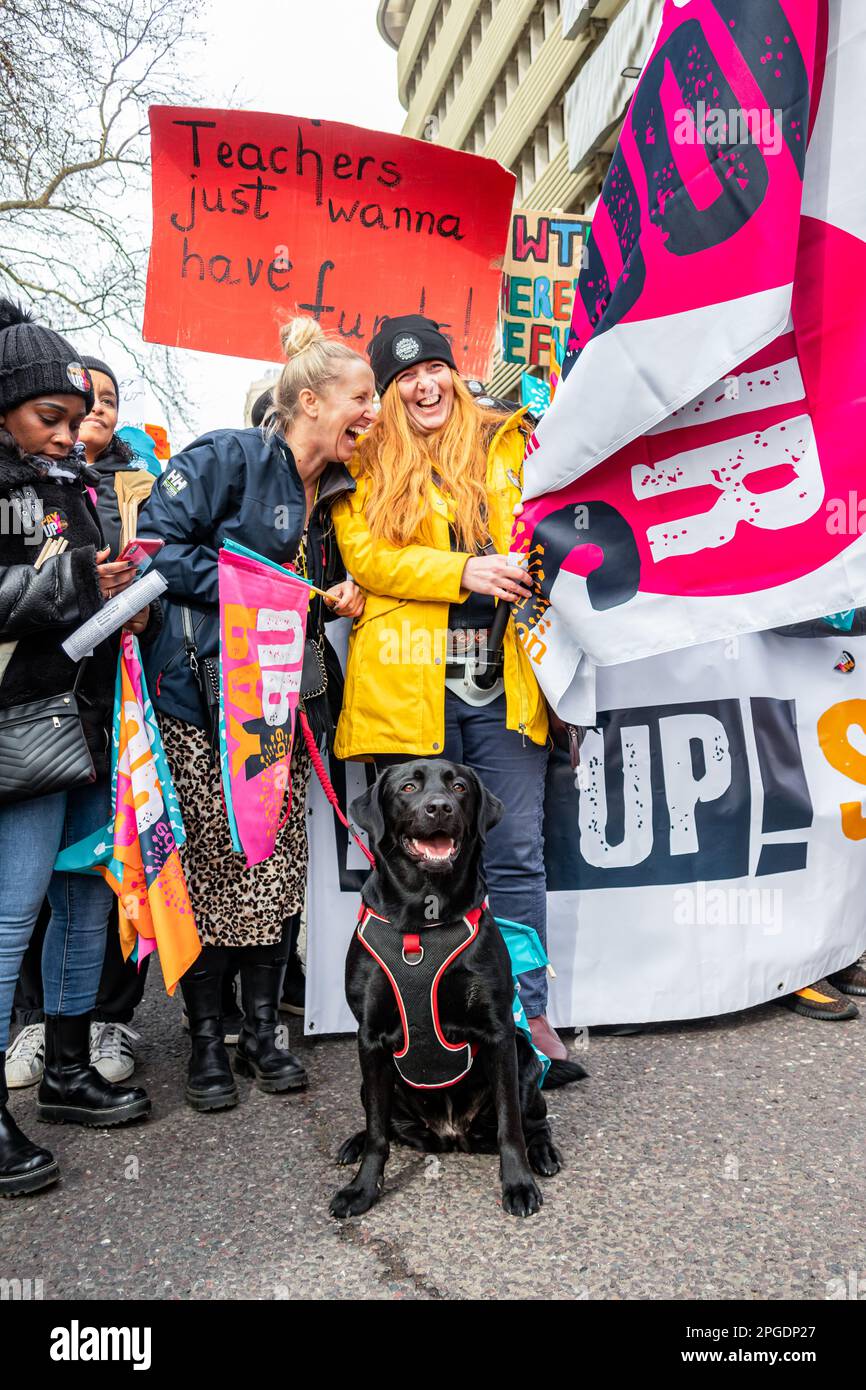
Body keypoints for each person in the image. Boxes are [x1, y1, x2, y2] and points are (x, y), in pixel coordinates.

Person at [138, 317, 373, 1112]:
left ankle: (264, 1032)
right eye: (362, 397)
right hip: (202, 705)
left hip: (284, 708)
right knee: (211, 869)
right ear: (310, 401)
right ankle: (207, 1040)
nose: (373, 413)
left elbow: (322, 589)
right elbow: (156, 551)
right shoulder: (226, 458)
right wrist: (268, 587)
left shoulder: (343, 490)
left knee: (274, 869)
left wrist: (335, 592)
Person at [331, 314, 567, 1061]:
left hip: (507, 689)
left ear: (452, 374)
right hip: (410, 692)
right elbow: (364, 557)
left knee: (517, 856)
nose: (424, 384)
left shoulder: (509, 446)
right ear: (387, 394)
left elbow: (552, 527)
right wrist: (460, 571)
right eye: (405, 378)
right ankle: (417, 1018)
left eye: (434, 368)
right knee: (413, 861)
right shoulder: (361, 464)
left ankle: (527, 1021)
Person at [0, 300, 151, 1197]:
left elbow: (76, 591)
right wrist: (71, 580)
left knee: (86, 891)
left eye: (76, 417)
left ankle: (65, 1068)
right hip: (22, 724)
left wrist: (125, 583)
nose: (68, 433)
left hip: (90, 715)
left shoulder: (76, 484)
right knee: (13, 917)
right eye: (49, 418)